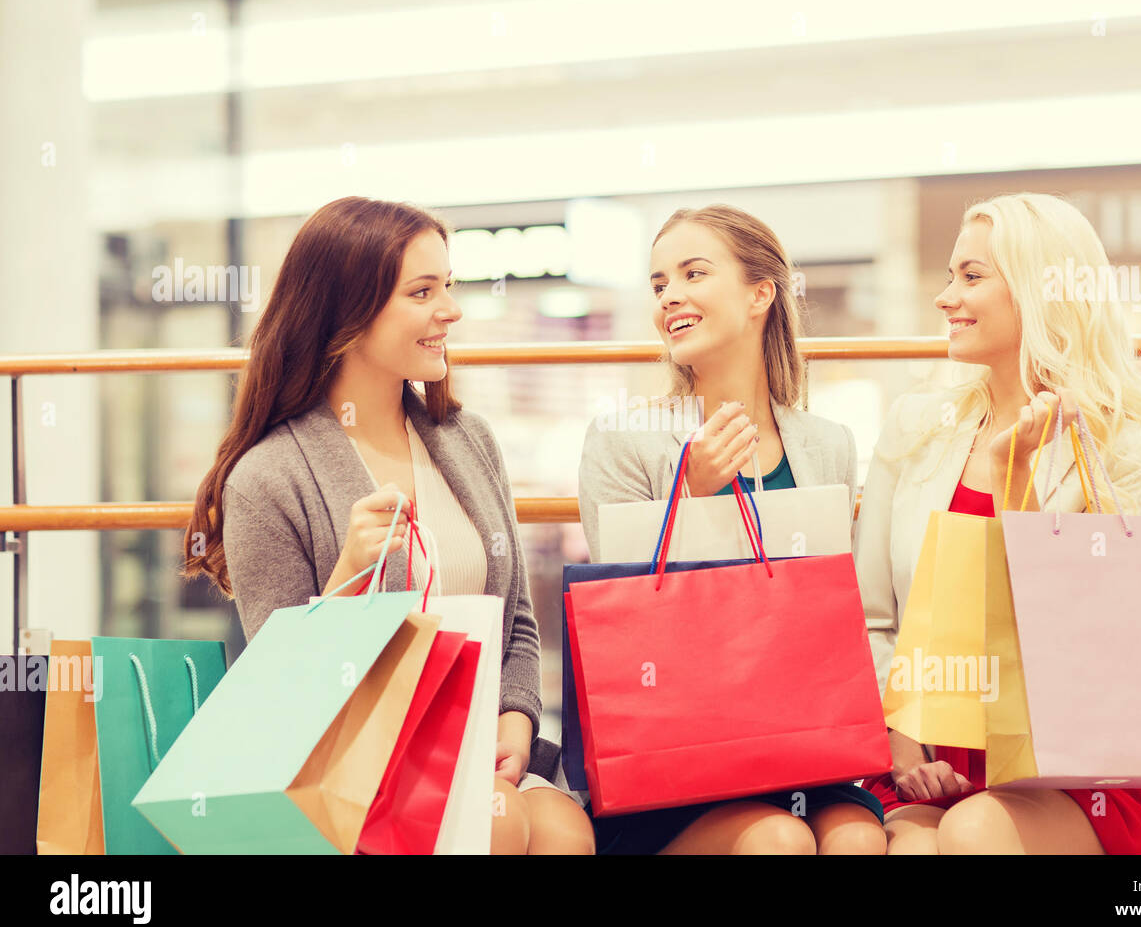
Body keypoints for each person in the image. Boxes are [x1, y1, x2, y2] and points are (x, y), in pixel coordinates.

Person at [185, 196, 594, 855]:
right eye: (422, 291)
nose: (451, 311)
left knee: (565, 831)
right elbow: (280, 692)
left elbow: (514, 613)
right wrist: (350, 574)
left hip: (475, 749)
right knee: (502, 824)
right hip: (351, 764)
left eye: (449, 287)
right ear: (349, 311)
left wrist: (516, 719)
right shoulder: (268, 478)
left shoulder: (467, 440)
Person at [855, 192, 1141, 854]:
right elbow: (871, 618)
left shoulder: (1126, 441)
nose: (946, 297)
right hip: (924, 754)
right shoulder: (917, 427)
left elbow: (1099, 626)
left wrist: (1018, 494)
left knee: (975, 830)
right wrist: (902, 743)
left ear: (1042, 291)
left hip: (1064, 768)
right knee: (915, 844)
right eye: (951, 275)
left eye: (972, 276)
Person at [577, 204, 886, 854]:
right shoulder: (620, 440)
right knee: (779, 840)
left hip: (803, 745)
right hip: (679, 758)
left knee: (857, 837)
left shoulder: (827, 444)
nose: (671, 298)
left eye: (693, 273)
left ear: (760, 294)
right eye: (660, 284)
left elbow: (835, 617)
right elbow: (629, 618)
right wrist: (692, 497)